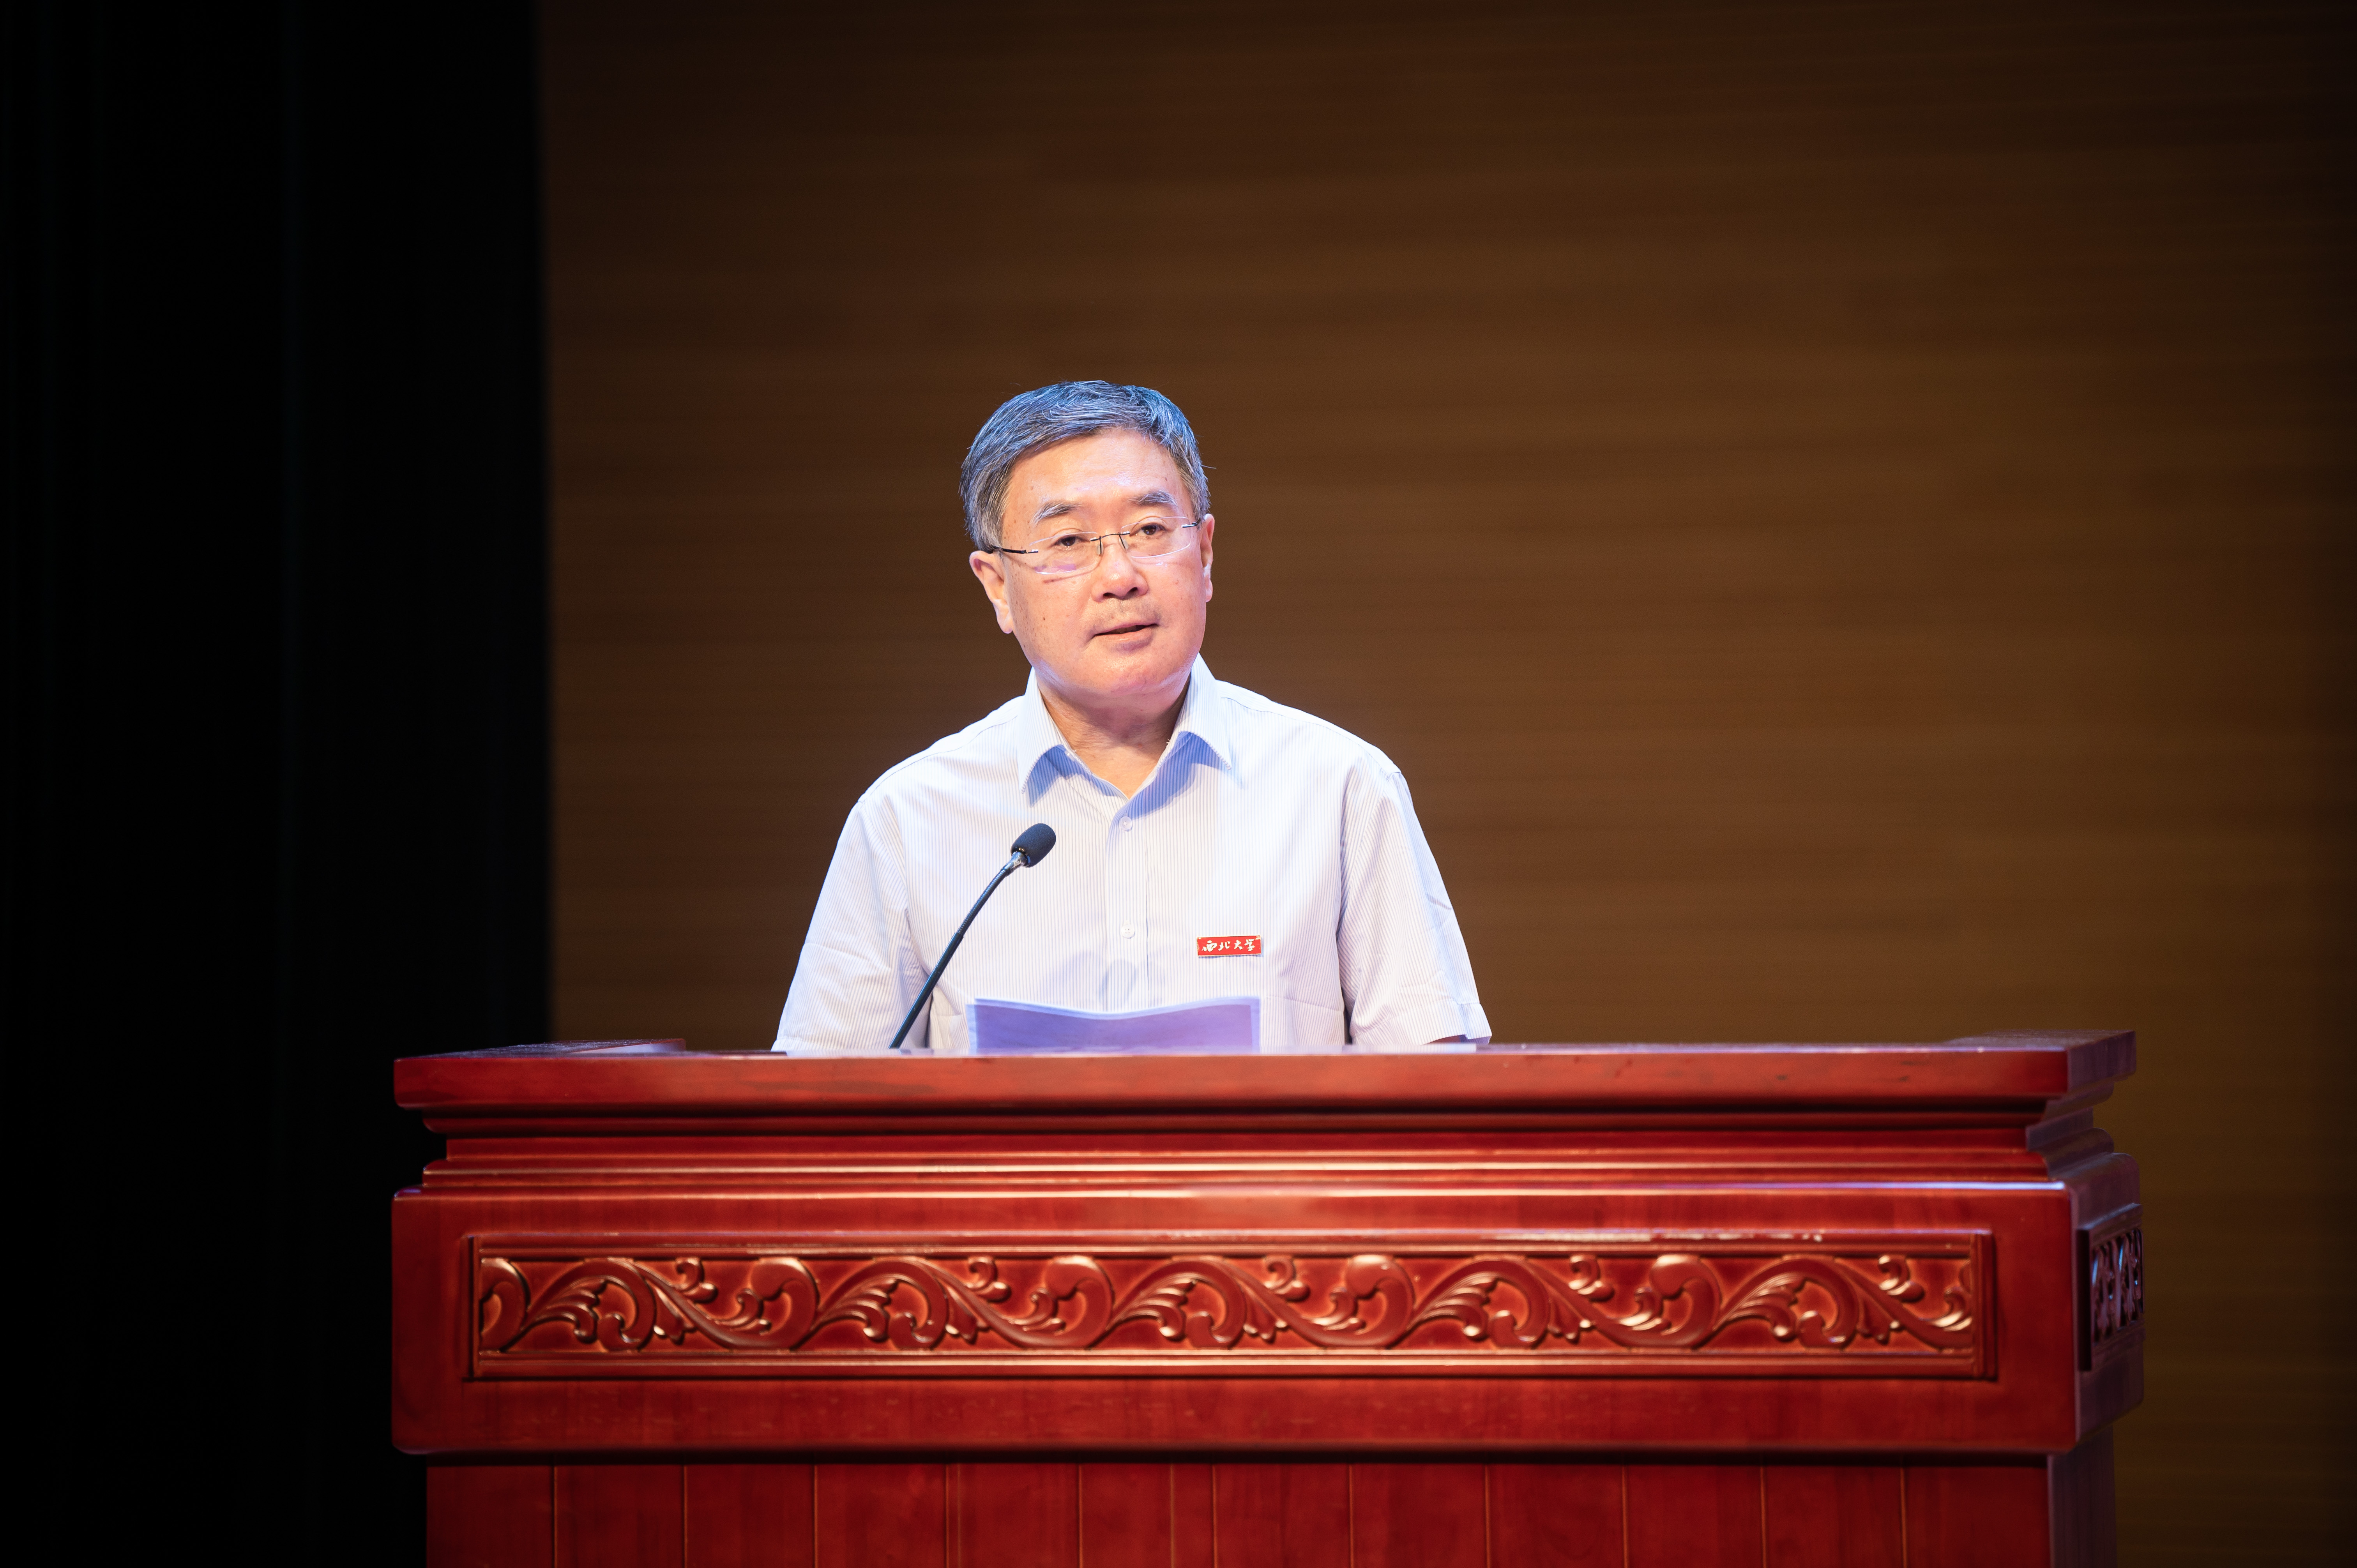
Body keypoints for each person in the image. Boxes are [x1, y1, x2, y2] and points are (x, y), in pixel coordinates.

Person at [773, 381, 1487, 1054]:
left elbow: (1435, 1090)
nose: (1120, 576)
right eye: (1068, 543)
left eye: (1149, 529)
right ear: (997, 588)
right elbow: (818, 1109)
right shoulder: (906, 820)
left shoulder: (1340, 788)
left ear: (1204, 554)